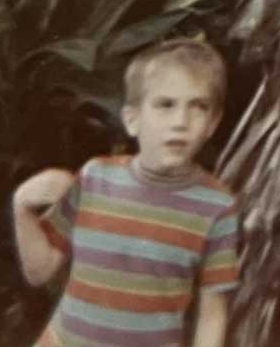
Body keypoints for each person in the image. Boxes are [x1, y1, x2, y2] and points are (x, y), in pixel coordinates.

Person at [12, 39, 240, 347]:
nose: (180, 122)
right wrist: (22, 207)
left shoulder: (217, 206)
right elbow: (39, 272)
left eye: (198, 107)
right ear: (132, 120)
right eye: (165, 105)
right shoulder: (96, 178)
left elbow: (213, 313)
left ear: (212, 124)